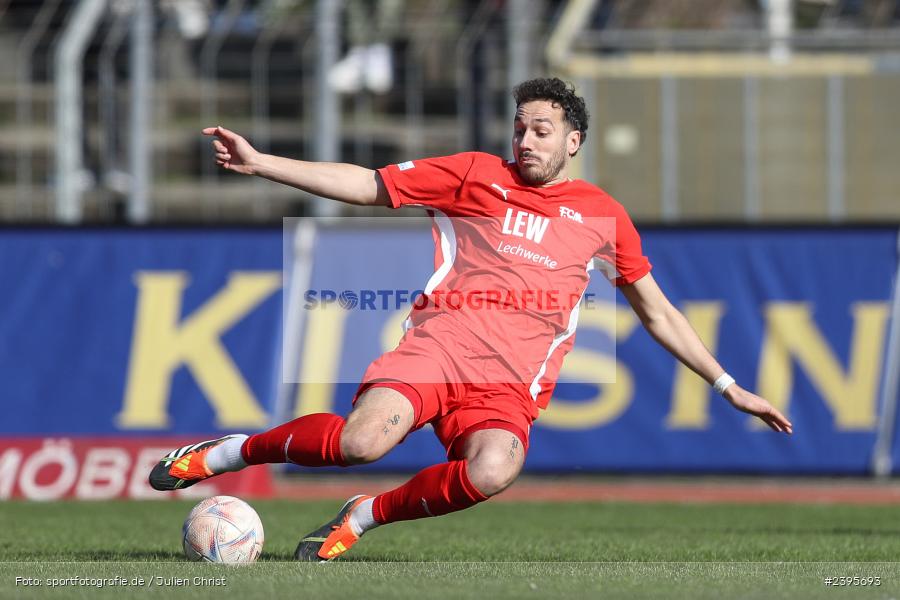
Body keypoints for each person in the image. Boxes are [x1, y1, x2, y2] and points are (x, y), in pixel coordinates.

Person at [149, 77, 792, 562]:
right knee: (361, 442)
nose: (526, 140)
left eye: (542, 130)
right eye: (519, 128)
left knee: (493, 469)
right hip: (440, 347)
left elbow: (658, 312)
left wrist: (727, 386)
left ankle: (363, 516)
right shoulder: (477, 175)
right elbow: (368, 183)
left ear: (574, 141)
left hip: (510, 383)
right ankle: (226, 452)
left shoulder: (603, 215)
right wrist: (264, 164)